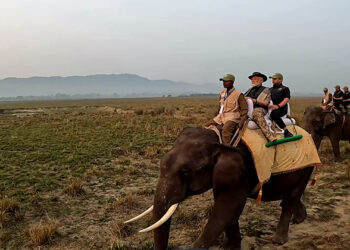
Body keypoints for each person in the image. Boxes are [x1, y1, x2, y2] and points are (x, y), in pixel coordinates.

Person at [205, 74, 248, 145]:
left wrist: (242, 121)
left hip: (233, 117)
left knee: (225, 131)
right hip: (221, 116)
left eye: (226, 81)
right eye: (223, 81)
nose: (224, 83)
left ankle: (227, 149)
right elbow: (220, 107)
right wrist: (215, 117)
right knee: (206, 126)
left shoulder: (238, 94)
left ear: (232, 82)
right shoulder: (222, 93)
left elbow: (244, 109)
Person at [244, 72, 275, 142]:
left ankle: (269, 136)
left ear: (261, 80)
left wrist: (253, 100)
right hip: (248, 109)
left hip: (260, 108)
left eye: (255, 78)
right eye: (252, 79)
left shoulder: (266, 90)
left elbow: (265, 103)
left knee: (256, 113)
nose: (253, 80)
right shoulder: (249, 90)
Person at [268, 73, 293, 138]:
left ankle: (286, 131)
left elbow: (286, 99)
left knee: (273, 114)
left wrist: (278, 106)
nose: (273, 80)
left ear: (280, 80)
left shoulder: (285, 89)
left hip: (281, 109)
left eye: (275, 79)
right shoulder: (269, 89)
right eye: (272, 79)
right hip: (270, 108)